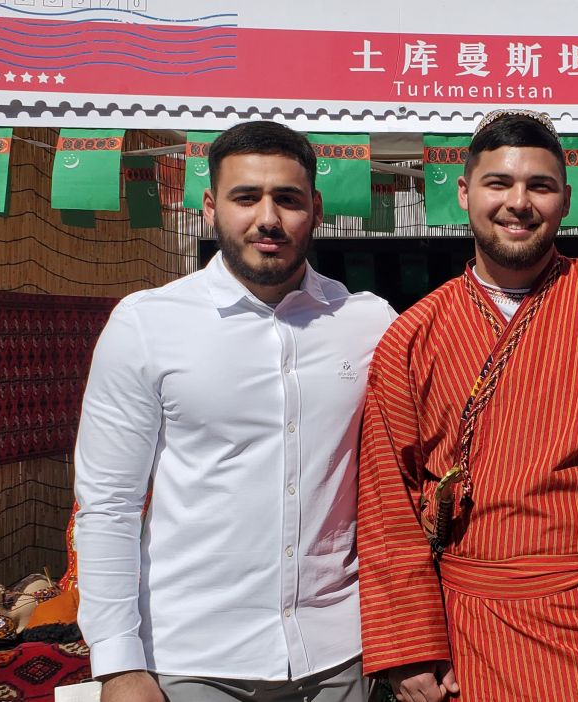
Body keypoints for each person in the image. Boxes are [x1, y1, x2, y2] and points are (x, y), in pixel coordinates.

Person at [356, 110, 578, 702]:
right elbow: (389, 505)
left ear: (567, 199)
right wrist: (411, 644)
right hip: (472, 630)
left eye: (540, 186)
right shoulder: (412, 336)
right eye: (499, 183)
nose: (519, 202)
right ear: (464, 193)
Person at [74, 120, 394, 702]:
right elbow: (108, 503)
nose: (267, 218)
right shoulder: (147, 324)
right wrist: (118, 663)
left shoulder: (368, 322)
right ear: (209, 207)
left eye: (287, 199)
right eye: (246, 197)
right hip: (194, 659)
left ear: (316, 209)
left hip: (338, 653)